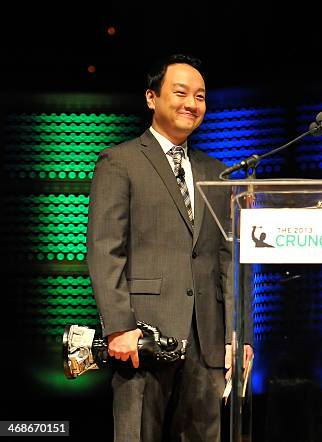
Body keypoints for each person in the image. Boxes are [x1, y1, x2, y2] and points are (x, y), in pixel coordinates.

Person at [87, 54, 251, 442]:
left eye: (200, 96)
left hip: (207, 342)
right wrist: (119, 327)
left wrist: (237, 334)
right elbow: (104, 248)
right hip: (142, 336)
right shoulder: (120, 161)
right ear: (151, 97)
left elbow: (228, 259)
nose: (191, 104)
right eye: (180, 93)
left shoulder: (217, 172)